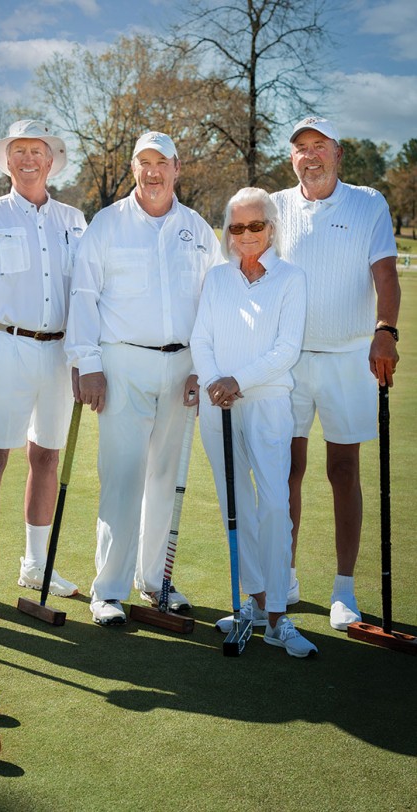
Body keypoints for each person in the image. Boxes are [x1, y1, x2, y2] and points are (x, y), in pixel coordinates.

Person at [65, 131, 222, 626]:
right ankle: (108, 590)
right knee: (123, 475)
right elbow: (83, 296)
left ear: (178, 168)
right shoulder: (107, 225)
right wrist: (87, 364)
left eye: (162, 163)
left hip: (182, 369)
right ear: (133, 168)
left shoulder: (198, 230)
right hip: (121, 364)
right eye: (143, 163)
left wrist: (204, 366)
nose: (153, 172)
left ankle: (155, 582)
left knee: (165, 478)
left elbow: (213, 303)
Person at [271, 117, 400, 630]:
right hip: (291, 358)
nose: (310, 155)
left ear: (337, 152)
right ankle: (285, 574)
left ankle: (344, 588)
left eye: (318, 146)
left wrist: (385, 328)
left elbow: (385, 274)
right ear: (292, 159)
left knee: (343, 472)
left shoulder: (368, 203)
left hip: (350, 356)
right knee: (287, 471)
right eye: (301, 148)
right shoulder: (276, 207)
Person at [0, 120, 87, 617]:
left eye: (38, 151)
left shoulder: (76, 221)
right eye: (19, 151)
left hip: (58, 355)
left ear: (51, 160)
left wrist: (83, 359)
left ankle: (35, 565)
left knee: (47, 459)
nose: (28, 159)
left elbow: (87, 297)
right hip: (2, 349)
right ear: (7, 161)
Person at [191, 187, 316, 657]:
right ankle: (256, 602)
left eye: (255, 226)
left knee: (275, 505)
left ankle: (280, 618)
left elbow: (286, 349)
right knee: (236, 504)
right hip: (217, 403)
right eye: (236, 227)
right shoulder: (217, 278)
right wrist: (213, 382)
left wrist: (236, 379)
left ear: (272, 228)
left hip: (266, 402)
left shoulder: (291, 278)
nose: (245, 235)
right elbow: (200, 336)